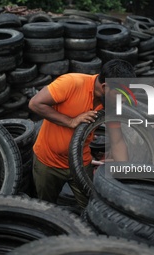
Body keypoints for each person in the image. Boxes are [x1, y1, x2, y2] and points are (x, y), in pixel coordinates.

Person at [28, 59, 136, 209]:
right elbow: (35, 103)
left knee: (91, 206)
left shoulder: (112, 104)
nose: (123, 100)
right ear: (105, 87)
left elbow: (117, 141)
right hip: (48, 162)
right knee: (46, 207)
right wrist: (70, 121)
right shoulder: (71, 83)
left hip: (81, 162)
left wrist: (125, 177)